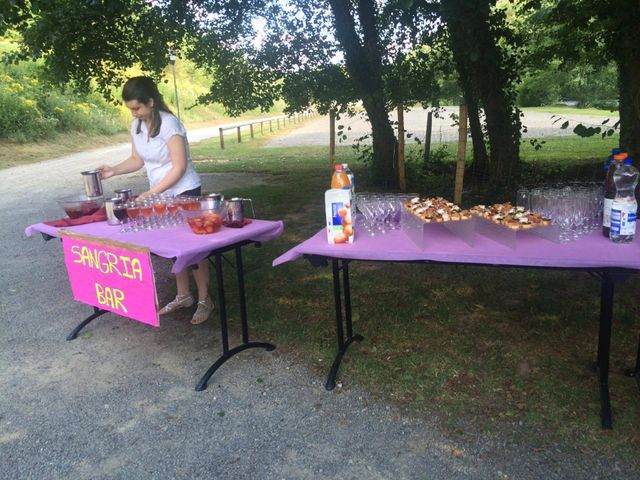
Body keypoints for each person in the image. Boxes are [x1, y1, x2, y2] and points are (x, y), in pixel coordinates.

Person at [97, 76, 214, 325]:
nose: (134, 113)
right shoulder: (137, 126)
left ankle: (205, 299)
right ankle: (183, 296)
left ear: (150, 102)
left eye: (137, 108)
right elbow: (137, 160)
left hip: (184, 192)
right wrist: (113, 170)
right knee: (173, 246)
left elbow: (179, 167)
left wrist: (152, 194)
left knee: (192, 249)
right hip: (160, 193)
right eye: (130, 109)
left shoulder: (171, 125)